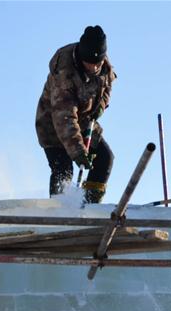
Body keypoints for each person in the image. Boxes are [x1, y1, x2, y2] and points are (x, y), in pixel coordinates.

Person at [35, 25, 116, 204]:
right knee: (64, 171)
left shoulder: (103, 64)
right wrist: (78, 152)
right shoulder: (64, 73)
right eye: (89, 63)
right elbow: (64, 118)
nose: (94, 68)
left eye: (98, 63)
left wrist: (101, 106)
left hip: (85, 122)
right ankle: (59, 212)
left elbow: (108, 83)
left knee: (105, 158)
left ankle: (89, 205)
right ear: (81, 57)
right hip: (54, 126)